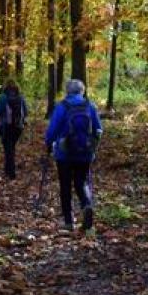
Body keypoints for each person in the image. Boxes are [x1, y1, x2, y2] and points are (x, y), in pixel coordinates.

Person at [44, 79, 102, 232]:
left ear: (67, 91)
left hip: (64, 153)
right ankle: (86, 205)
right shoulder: (90, 106)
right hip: (85, 152)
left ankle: (69, 222)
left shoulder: (62, 106)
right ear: (82, 91)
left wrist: (48, 143)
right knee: (81, 182)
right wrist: (93, 145)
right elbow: (98, 130)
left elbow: (52, 130)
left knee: (65, 185)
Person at [0, 79, 28, 179]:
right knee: (11, 147)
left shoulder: (3, 97)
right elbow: (26, 112)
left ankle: (11, 172)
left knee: (8, 149)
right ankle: (8, 169)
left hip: (5, 126)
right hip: (18, 127)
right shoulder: (20, 97)